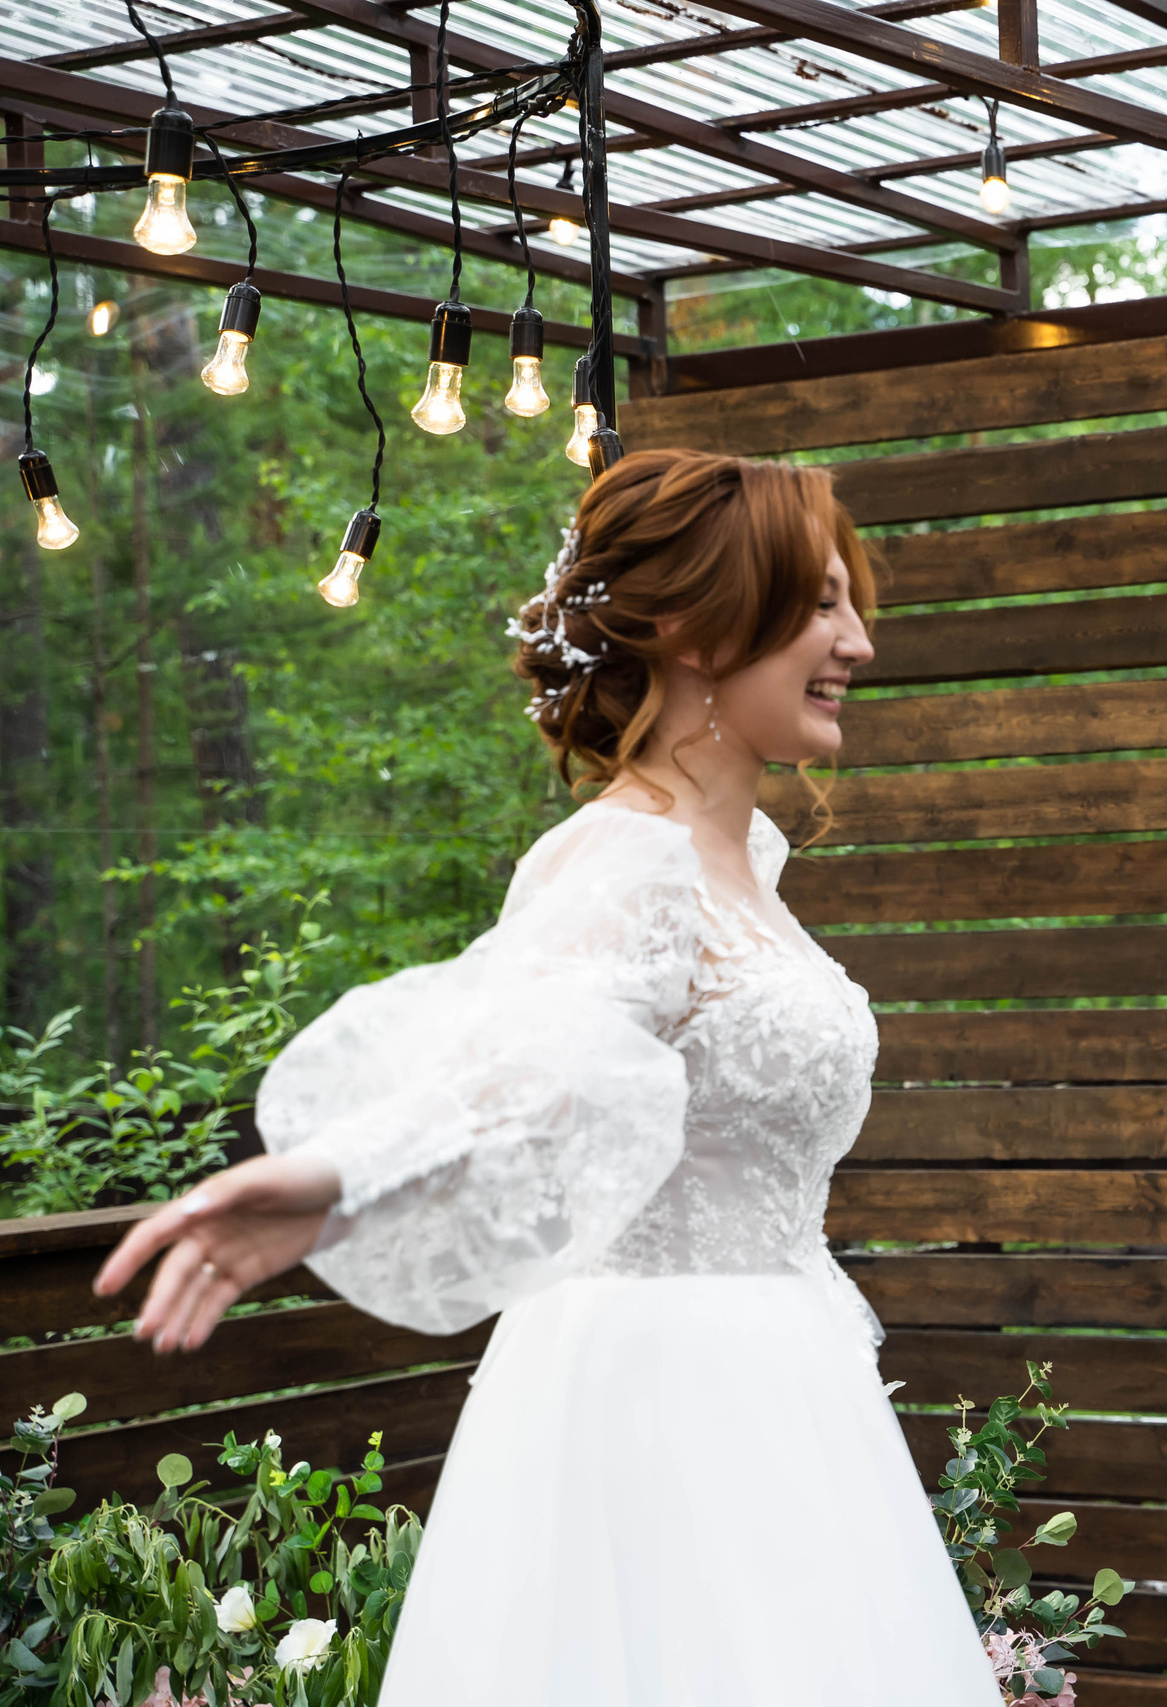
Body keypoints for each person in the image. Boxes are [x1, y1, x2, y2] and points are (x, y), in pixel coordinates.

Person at [94, 450, 1000, 1705]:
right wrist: (339, 1174)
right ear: (690, 624)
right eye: (822, 603)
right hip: (662, 1413)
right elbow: (532, 1061)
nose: (858, 643)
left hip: (787, 1393)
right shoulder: (626, 863)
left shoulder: (751, 862)